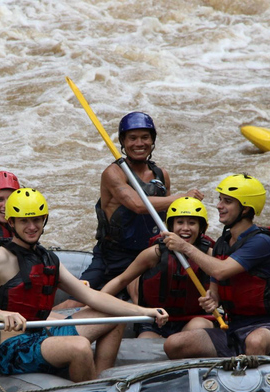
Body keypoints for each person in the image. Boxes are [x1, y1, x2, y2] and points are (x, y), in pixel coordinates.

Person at [0, 188, 168, 382]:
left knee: (115, 316)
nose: (32, 227)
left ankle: (101, 380)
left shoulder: (47, 258)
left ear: (45, 220)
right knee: (79, 346)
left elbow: (91, 296)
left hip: (44, 334)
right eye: (24, 221)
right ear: (11, 222)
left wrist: (143, 311)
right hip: (13, 349)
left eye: (37, 220)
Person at [159, 174, 270, 359]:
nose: (219, 206)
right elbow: (215, 290)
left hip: (267, 327)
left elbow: (220, 270)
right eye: (220, 200)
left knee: (254, 342)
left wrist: (184, 247)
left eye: (227, 201)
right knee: (174, 344)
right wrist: (212, 298)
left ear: (246, 209)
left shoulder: (261, 242)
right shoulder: (223, 243)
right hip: (232, 329)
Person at [78, 112, 205, 294]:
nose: (139, 143)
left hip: (148, 255)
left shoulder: (161, 175)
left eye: (145, 137)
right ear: (123, 142)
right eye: (132, 138)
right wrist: (182, 197)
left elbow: (169, 219)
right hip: (113, 256)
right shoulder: (113, 173)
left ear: (152, 141)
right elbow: (138, 205)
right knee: (81, 297)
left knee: (142, 294)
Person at [100, 197, 215, 338]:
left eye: (192, 223)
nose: (185, 228)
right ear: (171, 226)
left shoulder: (209, 255)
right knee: (145, 342)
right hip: (155, 320)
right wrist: (92, 304)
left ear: (201, 227)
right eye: (180, 222)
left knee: (200, 327)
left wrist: (215, 300)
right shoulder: (154, 254)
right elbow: (121, 281)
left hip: (192, 318)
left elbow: (225, 285)